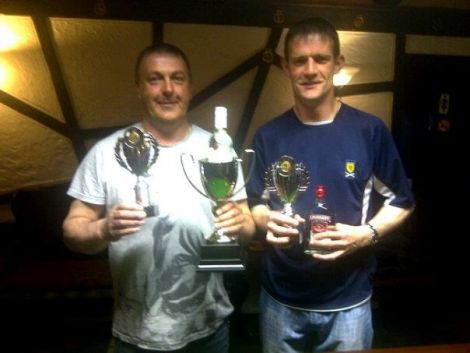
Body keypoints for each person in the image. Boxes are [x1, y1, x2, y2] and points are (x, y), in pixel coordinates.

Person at [62, 43, 255, 353]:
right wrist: (102, 229)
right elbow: (72, 229)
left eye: (177, 78)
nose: (168, 89)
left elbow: (247, 226)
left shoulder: (219, 150)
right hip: (135, 334)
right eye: (155, 79)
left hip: (209, 330)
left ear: (189, 88)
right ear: (139, 88)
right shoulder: (105, 152)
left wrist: (240, 223)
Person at [247, 17, 415, 352]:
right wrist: (267, 219)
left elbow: (402, 200)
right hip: (280, 300)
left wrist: (365, 234)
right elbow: (256, 203)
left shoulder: (369, 131)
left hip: (348, 303)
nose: (310, 69)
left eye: (320, 59)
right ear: (286, 67)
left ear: (338, 63)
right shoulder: (268, 135)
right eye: (299, 60)